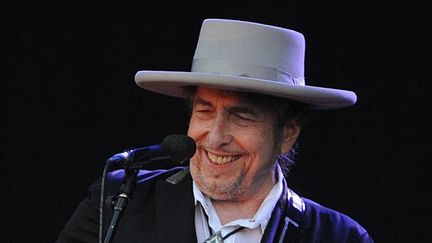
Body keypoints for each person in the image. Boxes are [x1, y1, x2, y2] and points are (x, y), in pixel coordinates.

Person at [56, 19, 374, 242]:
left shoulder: (339, 236)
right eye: (204, 110)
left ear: (287, 134)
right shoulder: (119, 200)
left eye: (241, 116)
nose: (215, 136)